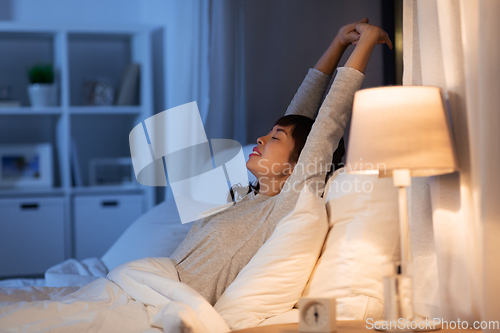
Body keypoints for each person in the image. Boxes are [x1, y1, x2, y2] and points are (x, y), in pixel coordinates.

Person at [108, 19, 393, 307]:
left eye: (275, 138)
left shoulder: (285, 204)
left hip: (167, 304)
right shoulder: (250, 197)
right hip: (147, 290)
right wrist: (338, 43)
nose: (260, 139)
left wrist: (366, 42)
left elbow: (328, 123)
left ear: (297, 166)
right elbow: (299, 116)